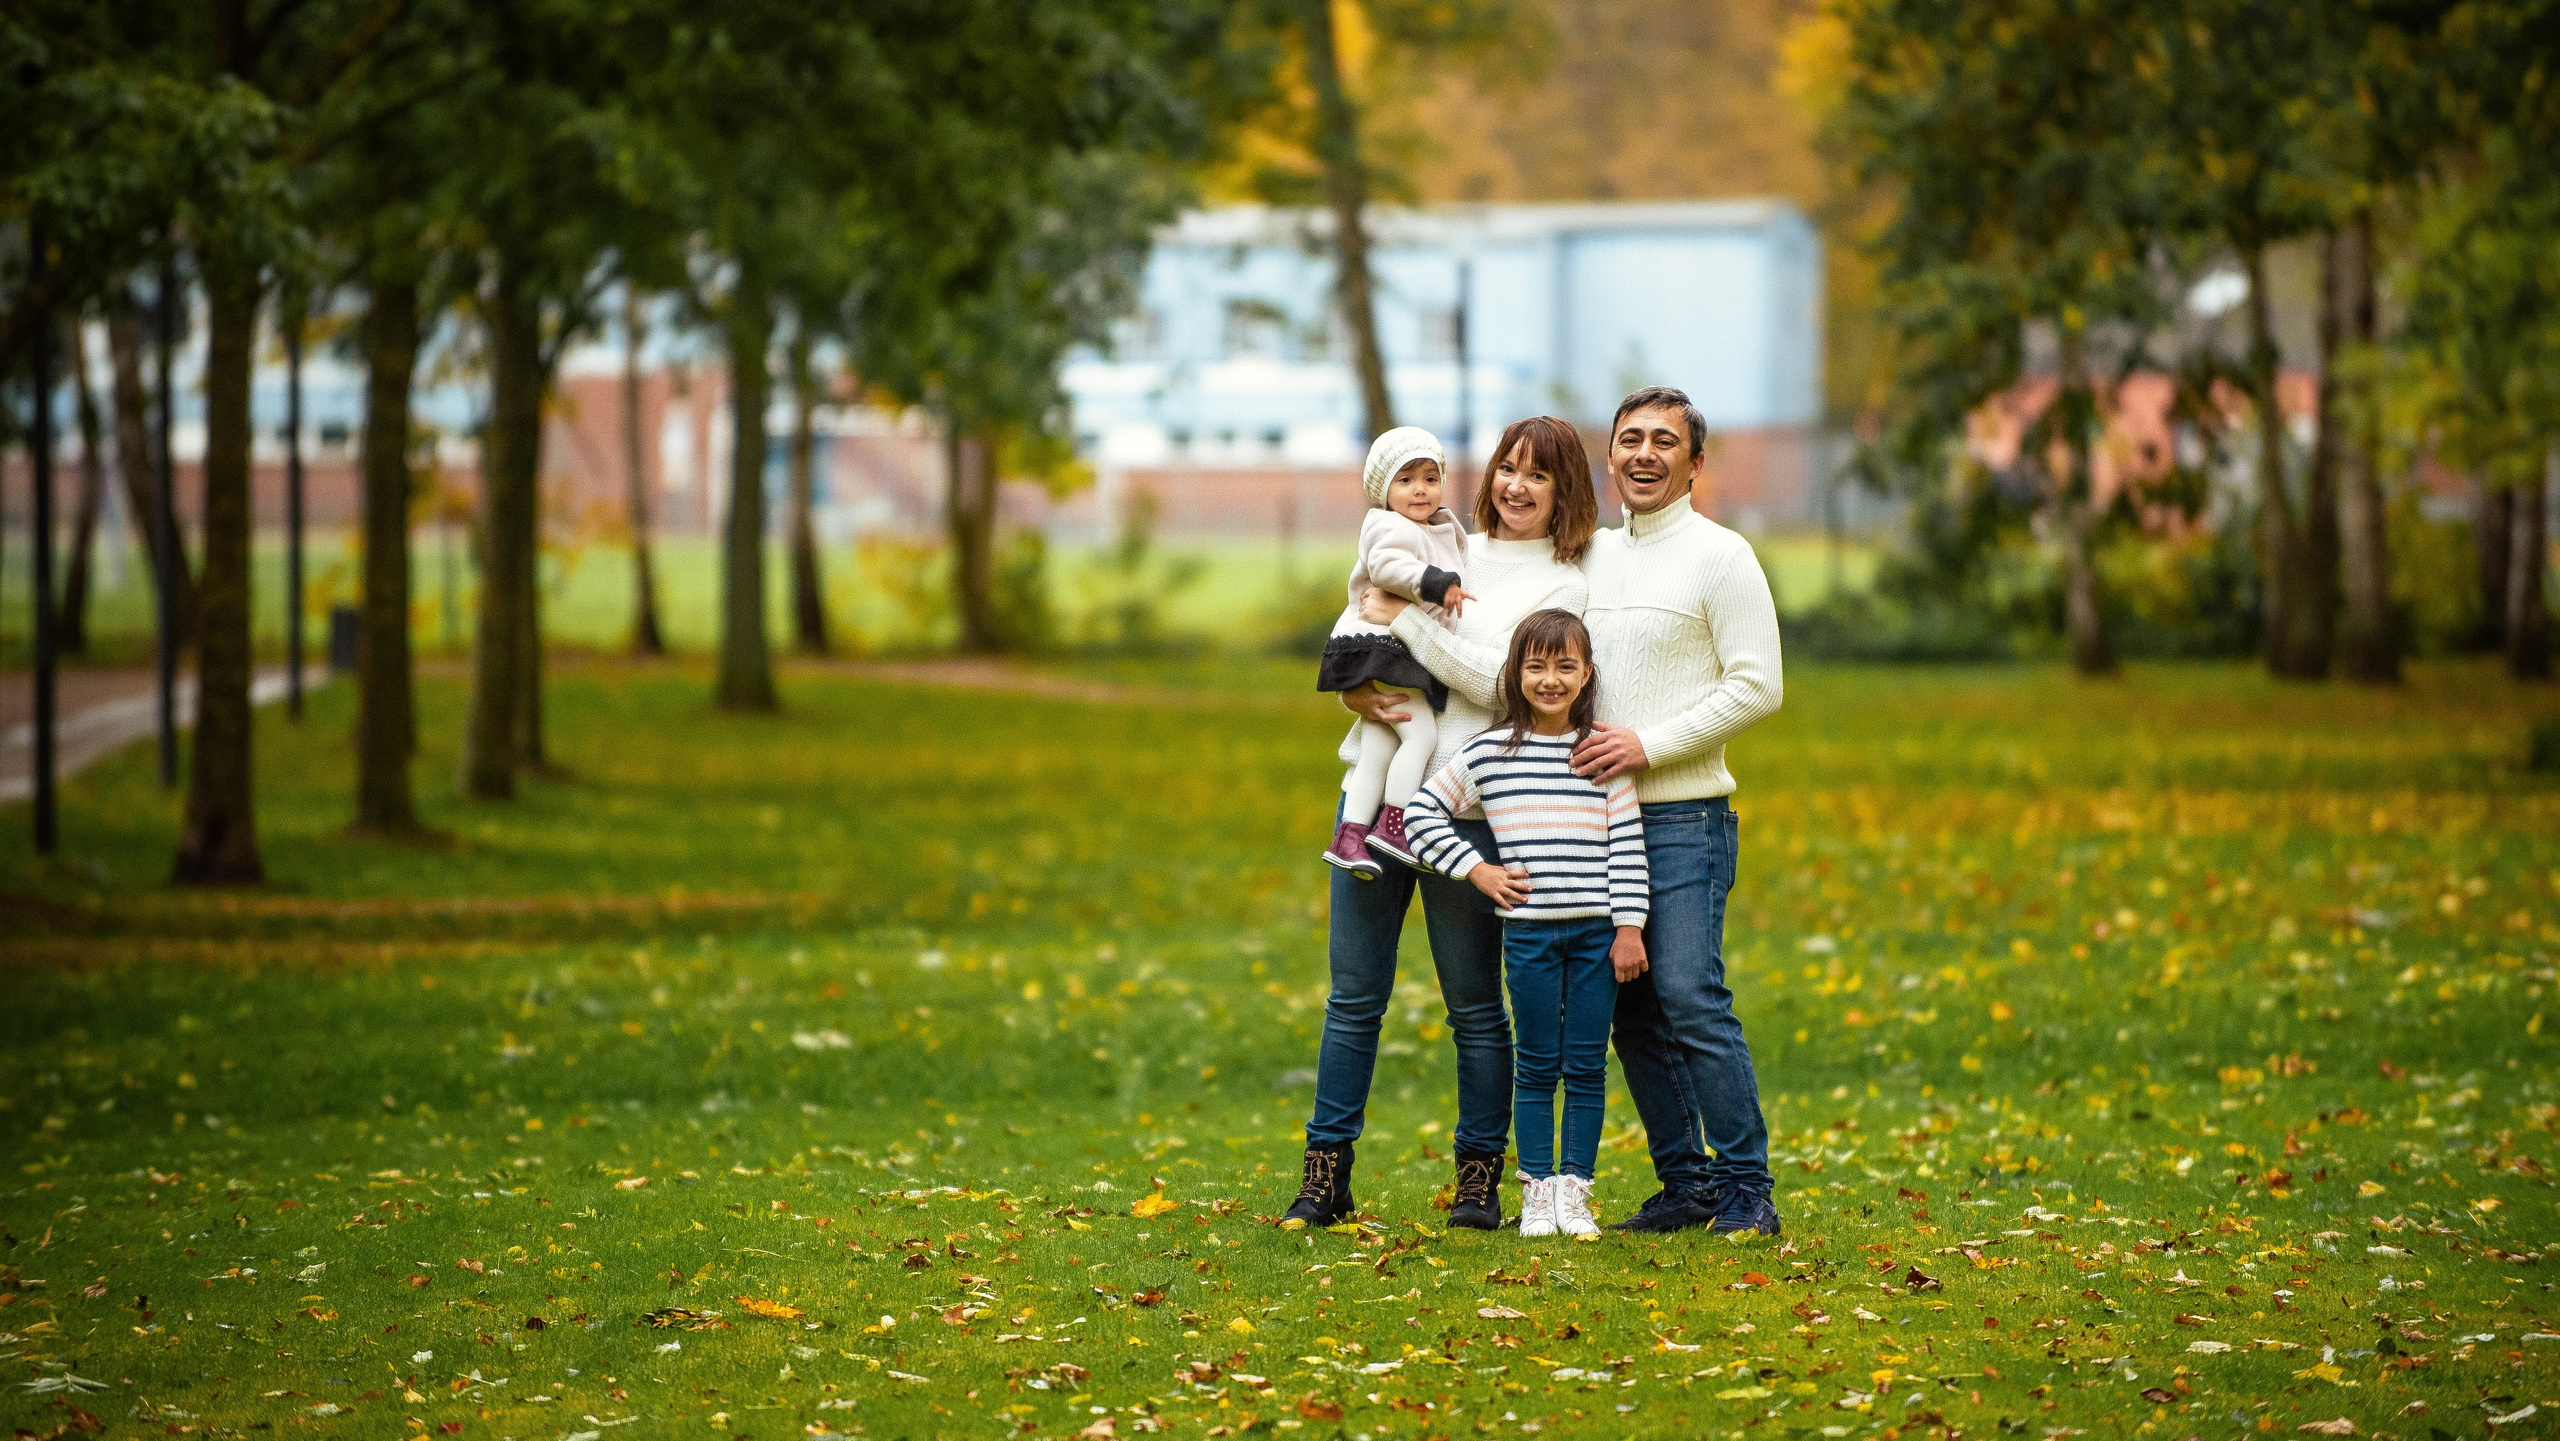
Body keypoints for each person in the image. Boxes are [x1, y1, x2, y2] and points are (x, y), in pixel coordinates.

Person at [1284, 415, 1595, 1234]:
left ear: (1564, 491)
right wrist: (1358, 679)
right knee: (1353, 998)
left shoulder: (1565, 583)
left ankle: (1478, 1177)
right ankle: (1324, 1172)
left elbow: (1503, 686)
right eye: (1508, 469)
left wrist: (1406, 612)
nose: (1517, 487)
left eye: (1539, 475)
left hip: (1468, 814)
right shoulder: (1440, 539)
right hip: (1380, 789)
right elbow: (1360, 622)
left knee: (1473, 1008)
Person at [1570, 386, 1786, 1236]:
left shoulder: (1721, 556)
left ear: (1696, 463)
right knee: (1629, 1006)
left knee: (1691, 994)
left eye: (1665, 441)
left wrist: (1648, 745)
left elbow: (1758, 685)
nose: (1644, 453)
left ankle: (1748, 1190)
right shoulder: (1587, 556)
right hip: (1598, 818)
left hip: (1685, 816)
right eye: (1630, 439)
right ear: (1611, 454)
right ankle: (1685, 1183)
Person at [1403, 610, 1648, 1239]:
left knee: (1587, 1065)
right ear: (1515, 673)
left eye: (1565, 666)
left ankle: (1576, 1191)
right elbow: (1420, 814)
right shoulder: (1488, 753)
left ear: (1587, 673)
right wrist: (1477, 870)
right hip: (1531, 936)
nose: (1550, 680)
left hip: (1598, 937)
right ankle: (1538, 1191)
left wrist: (1630, 928)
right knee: (1537, 1064)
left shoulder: (1600, 753)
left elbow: (1626, 843)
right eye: (1536, 666)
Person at [1317, 427, 1472, 878]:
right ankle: (1395, 825)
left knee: (1379, 746)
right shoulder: (1388, 524)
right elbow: (1388, 566)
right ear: (1383, 489)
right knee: (1420, 737)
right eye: (1405, 480)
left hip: (1384, 648)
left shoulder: (1427, 526)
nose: (1420, 489)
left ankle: (1349, 836)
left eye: (1430, 476)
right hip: (1383, 648)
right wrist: (1435, 582)